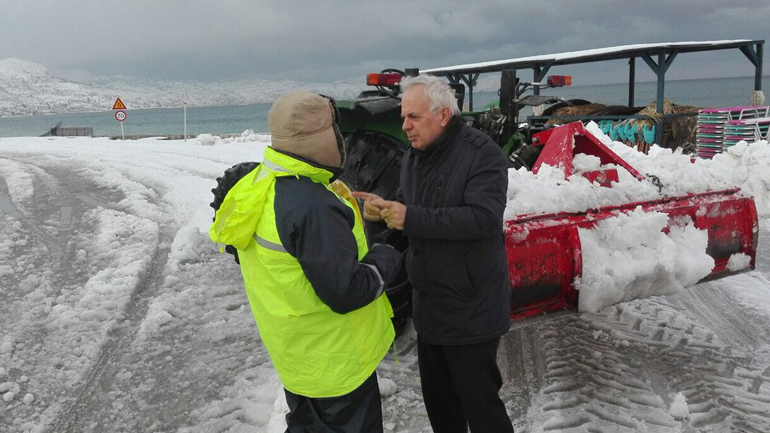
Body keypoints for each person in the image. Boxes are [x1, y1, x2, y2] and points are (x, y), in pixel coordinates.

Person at [210, 90, 402, 433]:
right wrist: (387, 253)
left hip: (298, 358)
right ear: (321, 139)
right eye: (335, 130)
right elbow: (347, 292)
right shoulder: (312, 206)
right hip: (337, 366)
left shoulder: (258, 185)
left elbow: (251, 255)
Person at [352, 75, 514, 433]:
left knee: (483, 412)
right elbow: (410, 215)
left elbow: (484, 219)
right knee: (442, 412)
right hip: (429, 308)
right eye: (403, 117)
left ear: (443, 115)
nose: (405, 126)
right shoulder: (414, 156)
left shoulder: (481, 154)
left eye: (414, 117)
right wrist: (383, 214)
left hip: (470, 309)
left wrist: (410, 216)